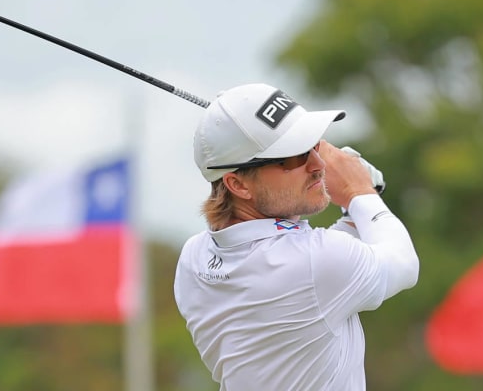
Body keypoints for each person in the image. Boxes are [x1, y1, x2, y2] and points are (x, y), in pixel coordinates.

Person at [173, 83, 419, 391]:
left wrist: (353, 210)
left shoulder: (193, 258)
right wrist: (360, 192)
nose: (318, 165)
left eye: (313, 145)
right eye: (292, 157)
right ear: (238, 184)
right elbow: (403, 265)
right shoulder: (314, 264)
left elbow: (317, 272)